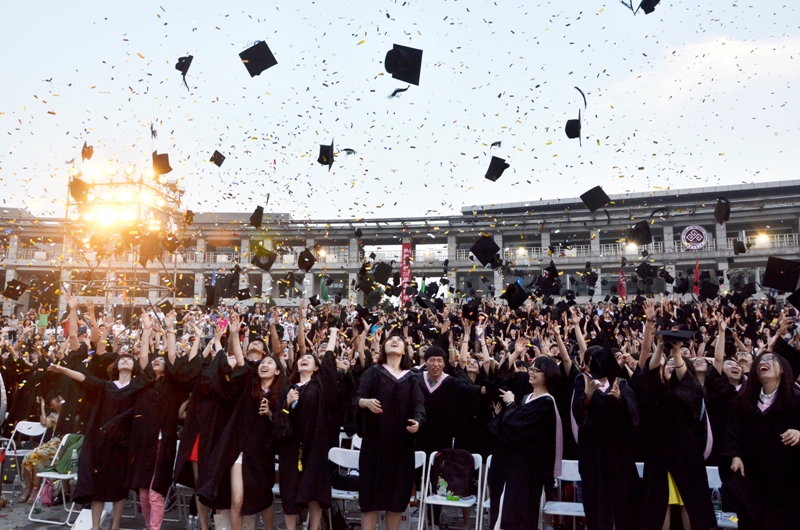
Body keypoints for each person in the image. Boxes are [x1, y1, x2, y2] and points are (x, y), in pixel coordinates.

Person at [630, 304, 716, 530]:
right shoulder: (655, 390)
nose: (669, 366)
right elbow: (647, 367)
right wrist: (659, 344)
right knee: (661, 504)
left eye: (674, 364)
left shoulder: (690, 389)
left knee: (690, 502)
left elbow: (685, 381)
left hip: (685, 450)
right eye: (666, 364)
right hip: (658, 451)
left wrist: (677, 352)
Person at [46, 343, 149, 530]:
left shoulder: (138, 387)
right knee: (98, 484)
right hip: (101, 441)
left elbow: (144, 362)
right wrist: (62, 369)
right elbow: (85, 378)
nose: (126, 360)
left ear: (135, 367)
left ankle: (115, 526)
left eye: (129, 359)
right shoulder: (106, 386)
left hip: (123, 443)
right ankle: (95, 527)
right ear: (115, 366)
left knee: (119, 486)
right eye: (122, 359)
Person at [125, 311, 195, 530]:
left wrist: (170, 328)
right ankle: (149, 526)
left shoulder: (173, 385)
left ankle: (154, 528)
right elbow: (144, 357)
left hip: (163, 444)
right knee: (143, 494)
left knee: (155, 493)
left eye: (161, 360)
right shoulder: (144, 382)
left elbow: (172, 356)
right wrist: (146, 330)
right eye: (155, 360)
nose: (156, 361)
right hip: (142, 442)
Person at [356, 328, 425, 530]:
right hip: (374, 445)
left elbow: (419, 406)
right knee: (370, 498)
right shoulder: (373, 372)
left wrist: (418, 422)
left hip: (401, 447)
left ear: (405, 350)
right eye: (390, 339)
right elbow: (355, 398)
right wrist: (364, 402)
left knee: (396, 499)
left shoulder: (412, 377)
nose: (394, 341)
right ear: (383, 348)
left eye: (399, 340)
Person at [722, 351, 800, 529]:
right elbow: (733, 431)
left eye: (770, 359)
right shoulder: (744, 403)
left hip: (787, 482)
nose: (762, 363)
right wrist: (734, 455)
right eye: (759, 361)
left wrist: (799, 434)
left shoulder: (795, 400)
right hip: (752, 480)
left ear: (782, 370)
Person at [571, 344, 641, 530]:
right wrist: (587, 396)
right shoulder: (583, 381)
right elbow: (580, 417)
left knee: (623, 501)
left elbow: (632, 418)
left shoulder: (621, 384)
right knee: (595, 501)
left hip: (619, 452)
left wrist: (619, 399)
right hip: (592, 452)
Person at [488, 355, 561, 530]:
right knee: (502, 512)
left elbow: (516, 427)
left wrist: (511, 405)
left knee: (518, 516)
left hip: (526, 470)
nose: (532, 372)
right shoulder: (527, 398)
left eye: (537, 370)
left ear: (548, 375)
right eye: (531, 369)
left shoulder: (545, 403)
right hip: (509, 465)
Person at [278, 327, 339, 530]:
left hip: (315, 444)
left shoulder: (320, 386)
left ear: (316, 368)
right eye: (301, 358)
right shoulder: (288, 389)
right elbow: (278, 420)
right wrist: (287, 404)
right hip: (291, 446)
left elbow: (329, 362)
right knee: (289, 490)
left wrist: (333, 335)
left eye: (309, 359)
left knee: (314, 489)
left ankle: (314, 528)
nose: (304, 360)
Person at [20, 394, 62, 503]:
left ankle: (35, 489)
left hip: (62, 445)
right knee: (28, 457)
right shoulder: (53, 414)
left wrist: (56, 421)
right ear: (51, 406)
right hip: (52, 443)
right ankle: (29, 489)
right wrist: (42, 406)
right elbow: (43, 422)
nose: (59, 400)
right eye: (55, 399)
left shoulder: (70, 414)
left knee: (36, 456)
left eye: (59, 398)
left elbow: (66, 428)